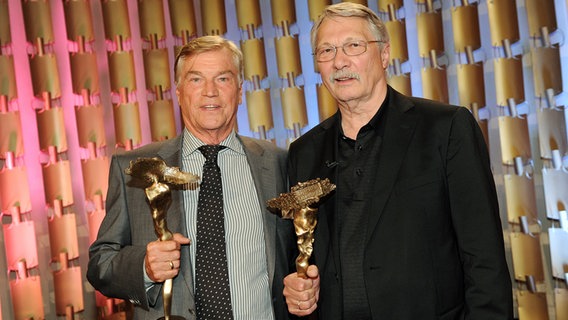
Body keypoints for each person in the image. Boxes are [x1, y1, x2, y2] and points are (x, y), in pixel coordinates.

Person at [282, 2, 513, 319]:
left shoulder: (445, 128)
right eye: (326, 51)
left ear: (384, 54)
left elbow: (483, 256)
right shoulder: (304, 151)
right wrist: (297, 286)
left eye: (353, 46)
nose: (339, 61)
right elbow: (300, 254)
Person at [87, 35, 297, 320]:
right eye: (196, 79)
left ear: (240, 89)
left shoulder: (278, 162)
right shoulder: (136, 170)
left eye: (222, 79)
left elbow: (297, 255)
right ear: (178, 91)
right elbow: (101, 264)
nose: (210, 91)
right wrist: (145, 268)